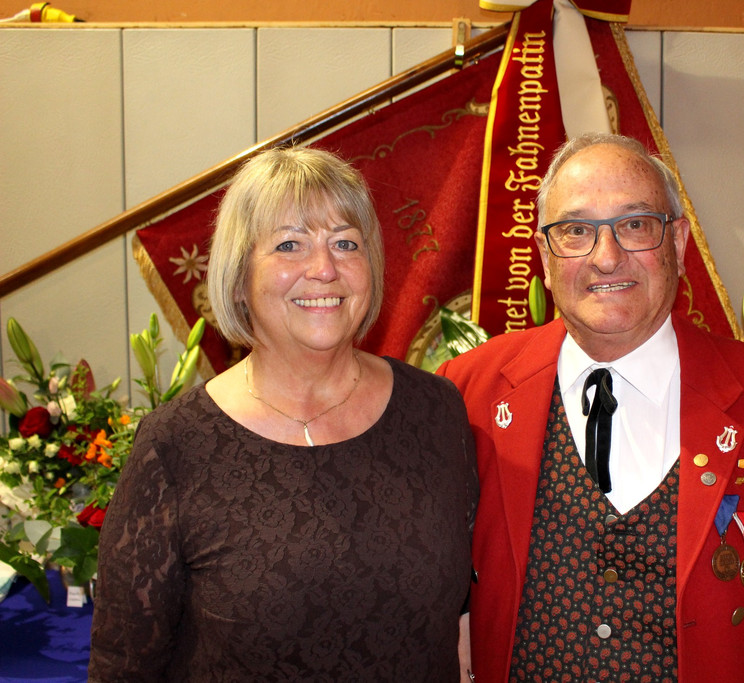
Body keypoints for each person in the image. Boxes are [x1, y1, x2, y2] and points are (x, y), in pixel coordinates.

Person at [438, 133, 744, 681]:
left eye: (635, 224)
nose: (606, 257)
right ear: (544, 258)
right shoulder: (466, 393)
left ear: (679, 243)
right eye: (576, 230)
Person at [89, 147, 478, 681]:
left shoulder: (436, 411)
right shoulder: (175, 446)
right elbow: (124, 666)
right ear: (239, 276)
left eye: (346, 243)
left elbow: (464, 622)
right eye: (290, 245)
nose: (324, 269)